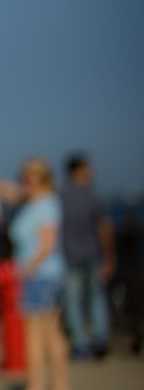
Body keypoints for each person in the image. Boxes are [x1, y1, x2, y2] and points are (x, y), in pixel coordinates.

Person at [0, 158, 72, 390]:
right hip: (44, 274)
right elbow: (11, 193)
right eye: (24, 177)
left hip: (38, 276)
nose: (26, 183)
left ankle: (37, 388)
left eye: (31, 178)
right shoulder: (37, 202)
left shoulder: (45, 205)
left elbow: (47, 244)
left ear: (43, 178)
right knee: (51, 332)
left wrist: (25, 271)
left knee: (36, 335)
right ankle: (60, 389)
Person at [59, 152, 115, 359]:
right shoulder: (93, 195)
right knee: (96, 298)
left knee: (73, 300)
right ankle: (100, 338)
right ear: (78, 170)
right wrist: (109, 257)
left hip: (69, 256)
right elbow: (105, 228)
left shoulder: (61, 196)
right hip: (92, 255)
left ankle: (80, 344)